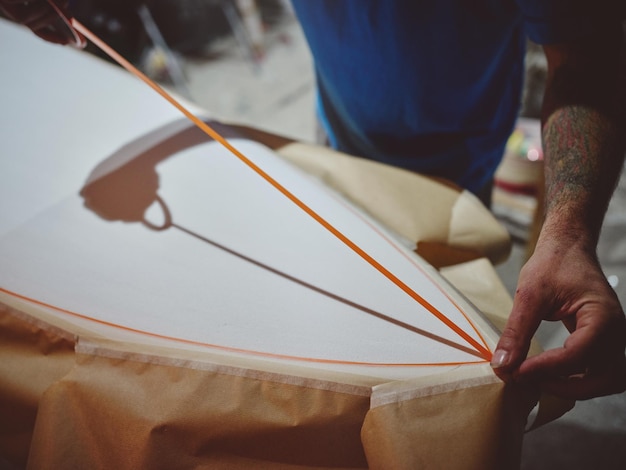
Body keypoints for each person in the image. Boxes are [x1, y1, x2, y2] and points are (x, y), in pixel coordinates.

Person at [4, 0, 626, 401]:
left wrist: (569, 232)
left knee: (437, 349)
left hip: (459, 162)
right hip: (337, 136)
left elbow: (590, 53)